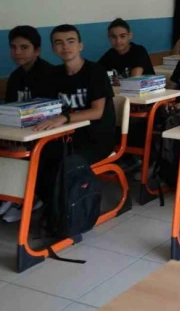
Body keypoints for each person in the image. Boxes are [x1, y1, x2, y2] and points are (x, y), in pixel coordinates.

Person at [32, 25, 117, 214]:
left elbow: (97, 112)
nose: (65, 47)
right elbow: (47, 108)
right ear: (53, 48)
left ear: (80, 45)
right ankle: (44, 203)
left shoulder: (95, 71)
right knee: (38, 156)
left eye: (71, 41)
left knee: (63, 163)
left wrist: (64, 117)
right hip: (64, 136)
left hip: (97, 138)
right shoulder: (53, 74)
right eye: (59, 43)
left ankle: (65, 211)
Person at [0, 26, 56, 222]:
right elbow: (9, 110)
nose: (17, 52)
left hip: (45, 134)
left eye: (24, 47)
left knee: (20, 151)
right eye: (13, 47)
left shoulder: (50, 74)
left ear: (37, 50)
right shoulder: (15, 77)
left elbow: (52, 113)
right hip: (20, 132)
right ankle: (7, 195)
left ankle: (26, 197)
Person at [98, 18, 155, 84]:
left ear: (130, 36)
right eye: (113, 37)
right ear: (109, 37)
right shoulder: (109, 55)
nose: (118, 41)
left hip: (148, 89)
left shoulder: (139, 51)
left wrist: (121, 82)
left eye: (122, 36)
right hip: (120, 90)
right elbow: (95, 72)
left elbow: (134, 80)